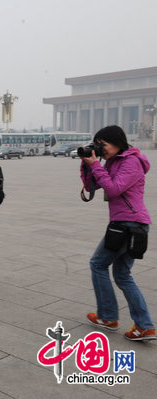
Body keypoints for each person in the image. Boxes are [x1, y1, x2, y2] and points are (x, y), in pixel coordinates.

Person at [80, 125, 155, 341]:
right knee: (122, 275)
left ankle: (108, 317)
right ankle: (144, 326)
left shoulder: (131, 161)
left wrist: (96, 165)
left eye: (102, 145)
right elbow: (91, 186)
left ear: (117, 142)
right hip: (128, 223)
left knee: (98, 264)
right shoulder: (113, 161)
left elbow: (113, 189)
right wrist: (88, 165)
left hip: (128, 224)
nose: (100, 149)